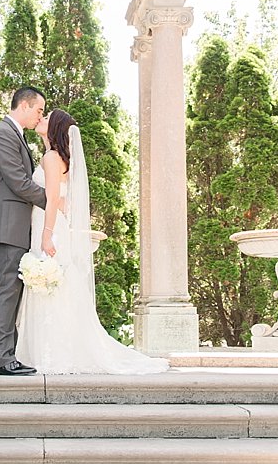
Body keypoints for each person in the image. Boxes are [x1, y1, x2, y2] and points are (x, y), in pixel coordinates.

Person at [15, 108, 169, 375]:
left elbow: (51, 199)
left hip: (48, 226)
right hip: (52, 225)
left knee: (50, 287)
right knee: (56, 287)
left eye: (47, 117)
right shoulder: (57, 156)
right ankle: (56, 350)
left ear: (55, 129)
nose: (41, 118)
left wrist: (46, 233)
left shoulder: (51, 158)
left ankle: (51, 354)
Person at [0, 85, 48, 376]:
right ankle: (1, 359)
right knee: (7, 290)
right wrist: (55, 202)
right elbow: (19, 182)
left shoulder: (15, 135)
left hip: (15, 227)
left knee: (12, 290)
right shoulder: (3, 134)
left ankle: (9, 355)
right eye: (38, 110)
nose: (39, 116)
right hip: (7, 226)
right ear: (24, 105)